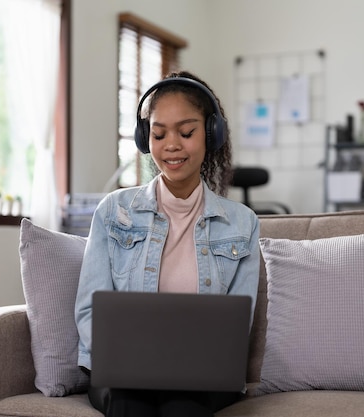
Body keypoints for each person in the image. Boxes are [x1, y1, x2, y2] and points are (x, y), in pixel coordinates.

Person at [74, 70, 260, 417]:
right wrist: (121, 359)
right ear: (146, 139)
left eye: (186, 132)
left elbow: (237, 324)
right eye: (159, 134)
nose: (172, 145)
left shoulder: (243, 223)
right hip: (123, 373)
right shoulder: (113, 212)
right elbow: (88, 310)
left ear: (211, 135)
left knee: (183, 407)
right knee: (132, 402)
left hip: (203, 374)